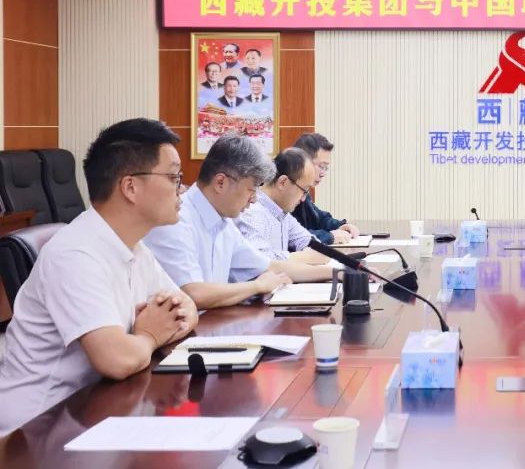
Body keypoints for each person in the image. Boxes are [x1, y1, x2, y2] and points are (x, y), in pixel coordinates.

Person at [0, 119, 198, 434]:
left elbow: (186, 308)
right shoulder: (75, 254)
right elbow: (116, 360)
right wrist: (149, 335)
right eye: (174, 177)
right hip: (35, 429)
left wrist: (150, 333)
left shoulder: (134, 246)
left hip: (93, 407)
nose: (181, 189)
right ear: (130, 187)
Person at [143, 135, 331, 310]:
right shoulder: (176, 219)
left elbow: (270, 266)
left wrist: (336, 273)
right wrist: (257, 286)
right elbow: (193, 293)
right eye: (252, 189)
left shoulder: (224, 222)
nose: (254, 199)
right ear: (221, 183)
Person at [236, 148, 330, 266]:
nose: (303, 199)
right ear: (283, 182)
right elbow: (258, 261)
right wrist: (303, 257)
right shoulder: (251, 211)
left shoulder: (282, 213)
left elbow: (308, 241)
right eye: (304, 190)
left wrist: (314, 253)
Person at [291, 132, 360, 244]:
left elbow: (318, 218)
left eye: (326, 168)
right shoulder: (286, 189)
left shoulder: (302, 188)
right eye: (321, 166)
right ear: (302, 162)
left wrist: (339, 226)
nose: (323, 174)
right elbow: (291, 238)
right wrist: (329, 236)